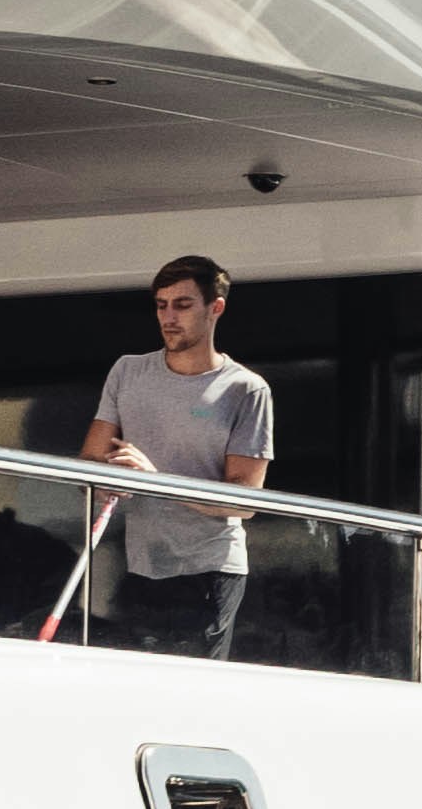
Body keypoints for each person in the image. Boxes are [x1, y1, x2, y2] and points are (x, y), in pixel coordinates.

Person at [71, 255, 272, 658]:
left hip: (211, 568)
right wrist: (108, 478)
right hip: (143, 563)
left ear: (215, 308)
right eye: (161, 305)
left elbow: (245, 500)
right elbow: (88, 466)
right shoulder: (128, 372)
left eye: (182, 305)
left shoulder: (246, 390)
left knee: (192, 693)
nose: (168, 316)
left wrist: (153, 479)